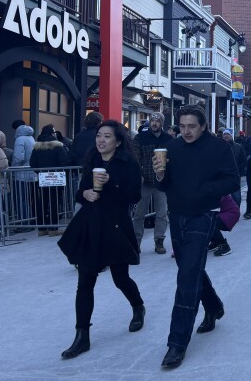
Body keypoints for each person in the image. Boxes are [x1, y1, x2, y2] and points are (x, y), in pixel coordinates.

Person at [152, 105, 239, 369]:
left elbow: (232, 181)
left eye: (192, 126)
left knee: (187, 275)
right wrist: (159, 175)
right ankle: (212, 306)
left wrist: (204, 190)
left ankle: (176, 343)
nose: (186, 131)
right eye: (182, 126)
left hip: (204, 214)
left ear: (203, 126)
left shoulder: (218, 148)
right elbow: (164, 185)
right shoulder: (173, 148)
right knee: (190, 268)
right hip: (177, 214)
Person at [57, 120, 144, 360]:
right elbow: (81, 191)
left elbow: (134, 195)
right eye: (99, 135)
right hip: (91, 225)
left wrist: (111, 184)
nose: (101, 140)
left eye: (107, 136)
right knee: (85, 280)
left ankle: (138, 306)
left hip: (115, 226)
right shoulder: (92, 160)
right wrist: (84, 193)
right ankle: (81, 336)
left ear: (117, 141)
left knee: (120, 278)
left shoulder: (128, 163)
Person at [131, 112, 171, 254]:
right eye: (152, 120)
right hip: (145, 180)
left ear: (161, 123)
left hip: (162, 181)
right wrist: (138, 174)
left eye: (157, 121)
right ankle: (136, 242)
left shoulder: (168, 138)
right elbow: (135, 159)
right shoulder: (140, 138)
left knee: (162, 213)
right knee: (139, 214)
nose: (154, 123)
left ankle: (159, 240)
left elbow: (172, 157)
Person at [29, 124, 70, 236]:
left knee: (42, 203)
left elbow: (33, 163)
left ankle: (42, 229)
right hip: (57, 179)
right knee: (55, 203)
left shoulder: (37, 148)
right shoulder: (58, 147)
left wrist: (41, 173)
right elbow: (64, 162)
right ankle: (53, 228)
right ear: (53, 134)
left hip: (43, 179)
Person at [222, 129, 247, 207]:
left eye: (228, 134)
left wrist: (238, 170)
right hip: (222, 175)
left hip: (235, 174)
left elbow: (243, 160)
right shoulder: (219, 147)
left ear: (231, 135)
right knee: (223, 195)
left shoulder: (238, 147)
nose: (226, 136)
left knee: (236, 195)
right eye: (224, 134)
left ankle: (236, 211)